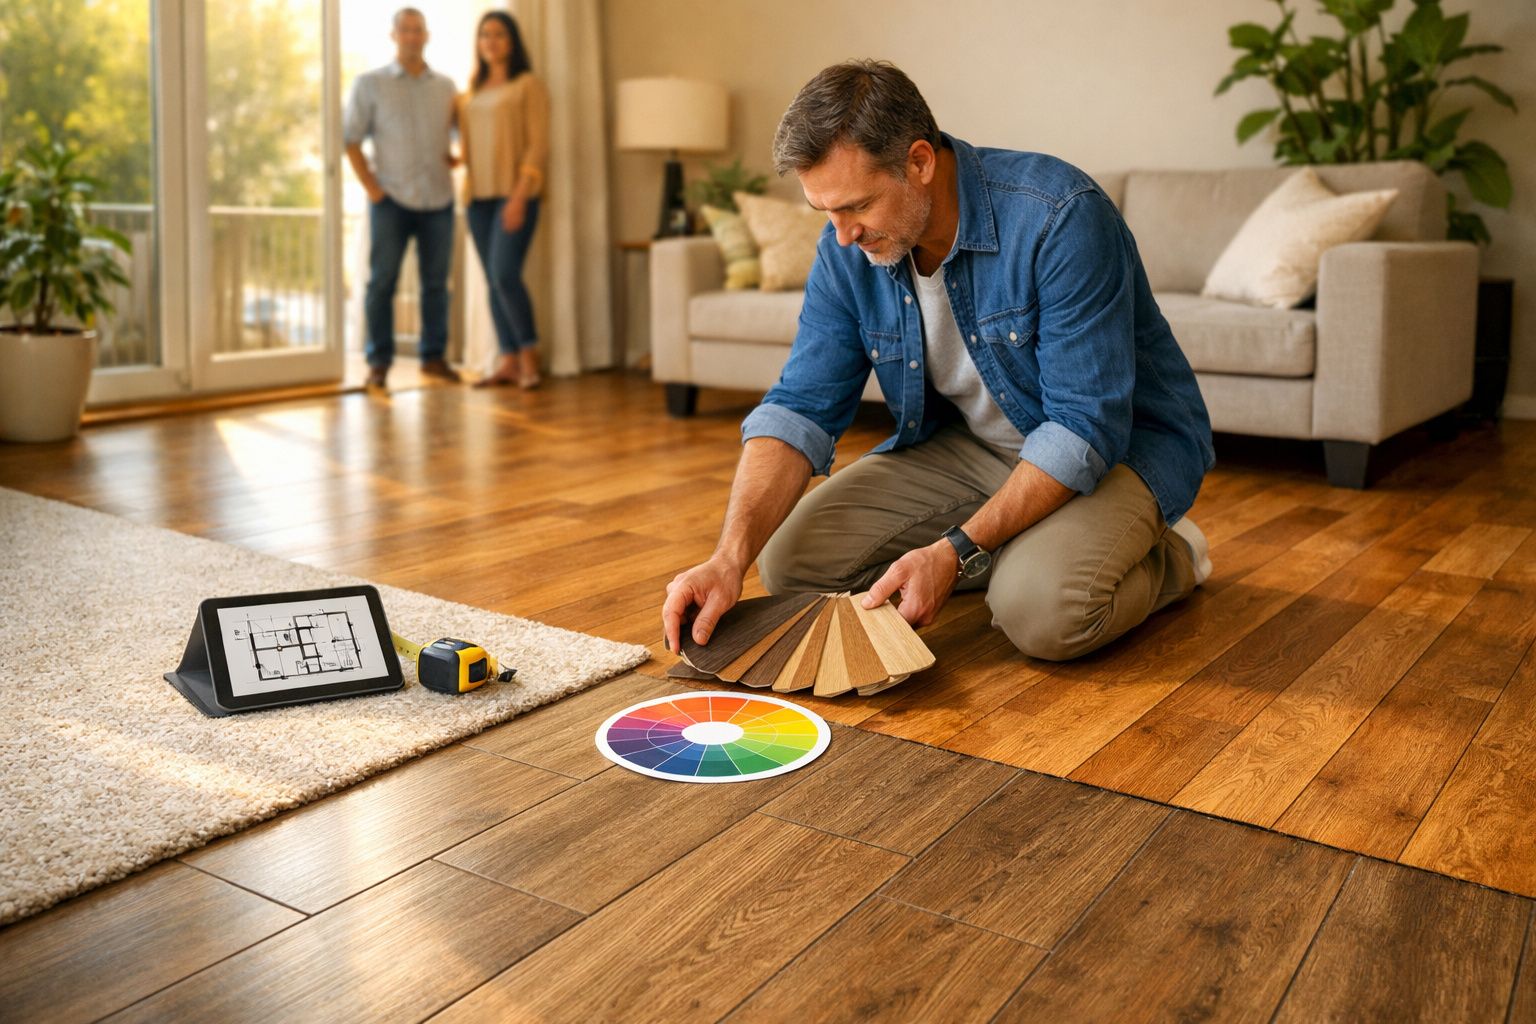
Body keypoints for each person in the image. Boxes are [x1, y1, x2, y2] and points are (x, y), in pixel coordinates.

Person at [662, 60, 1216, 663]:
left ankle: (1167, 552)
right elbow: (801, 405)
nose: (843, 236)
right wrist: (728, 559)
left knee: (1041, 614)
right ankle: (1025, 547)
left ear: (920, 162)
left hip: (1118, 449)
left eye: (857, 206)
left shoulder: (1059, 216)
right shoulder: (846, 247)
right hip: (977, 448)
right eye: (826, 212)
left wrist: (955, 550)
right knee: (790, 563)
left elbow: (1084, 425)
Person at [343, 7, 461, 389]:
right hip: (391, 201)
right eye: (405, 30)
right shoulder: (370, 84)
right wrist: (373, 189)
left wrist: (458, 159)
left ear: (427, 36)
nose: (412, 36)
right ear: (393, 36)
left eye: (418, 30)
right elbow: (350, 139)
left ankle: (434, 357)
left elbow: (463, 136)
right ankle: (378, 362)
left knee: (436, 285)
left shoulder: (446, 87)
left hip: (439, 201)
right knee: (382, 283)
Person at [459, 10, 549, 389]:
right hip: (477, 199)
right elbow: (469, 141)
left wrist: (519, 196)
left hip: (514, 196)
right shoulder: (472, 92)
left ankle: (529, 355)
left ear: (512, 42)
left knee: (504, 274)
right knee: (492, 281)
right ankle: (507, 360)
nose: (491, 41)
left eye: (498, 34)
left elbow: (538, 144)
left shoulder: (527, 85)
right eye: (485, 35)